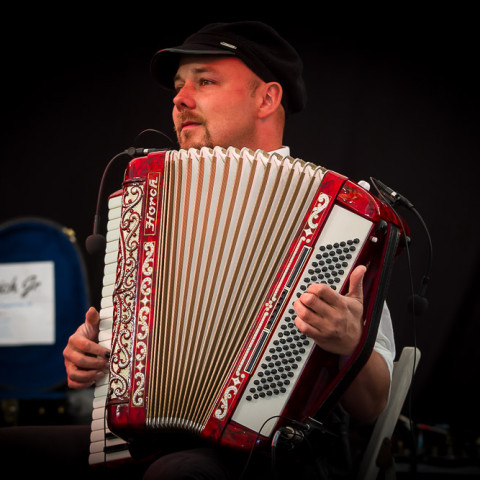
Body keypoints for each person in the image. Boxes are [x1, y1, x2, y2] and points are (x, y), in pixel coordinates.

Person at [4, 21, 396, 480]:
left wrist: (352, 344)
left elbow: (373, 405)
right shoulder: (158, 199)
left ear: (266, 99)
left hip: (269, 455)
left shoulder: (339, 217)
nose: (180, 99)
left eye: (204, 81)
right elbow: (142, 344)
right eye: (178, 86)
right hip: (146, 437)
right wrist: (97, 356)